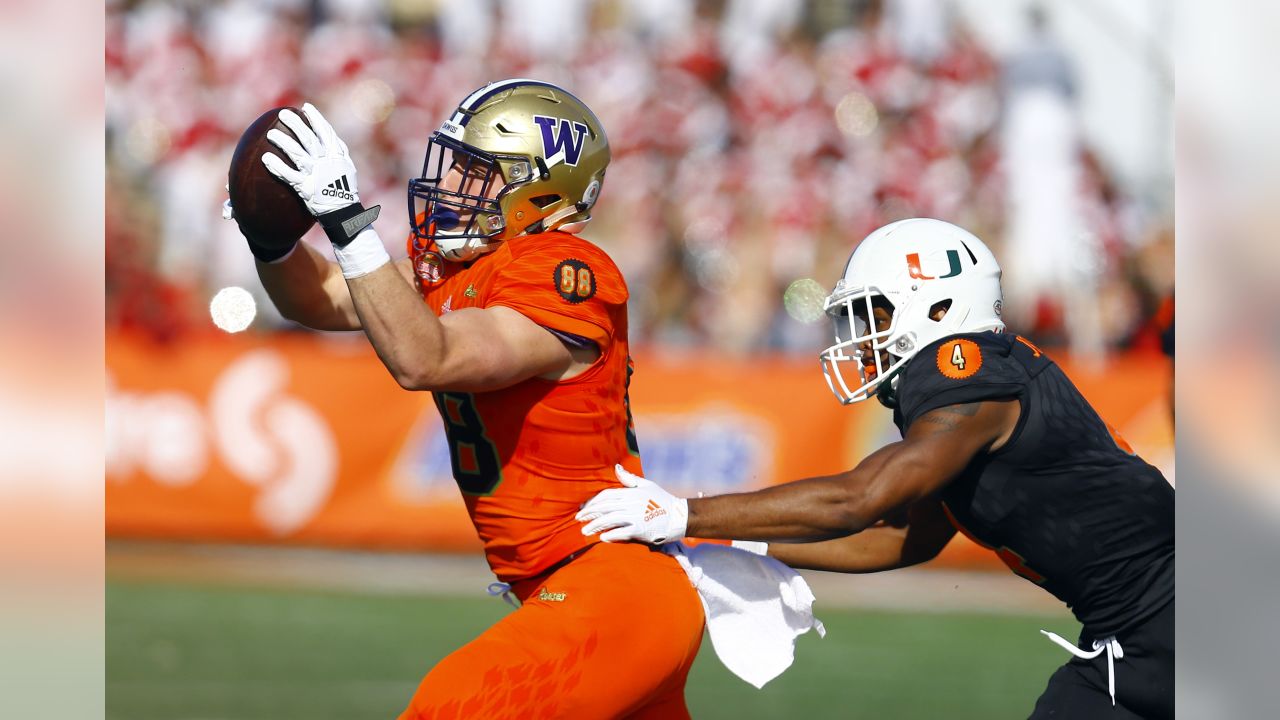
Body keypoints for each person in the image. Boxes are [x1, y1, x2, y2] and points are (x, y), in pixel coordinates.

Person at [225, 80, 704, 719]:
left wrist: (346, 220)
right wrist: (273, 241)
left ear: (541, 191)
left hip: (611, 588)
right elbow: (320, 298)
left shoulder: (566, 270)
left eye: (476, 172)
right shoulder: (454, 272)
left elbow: (428, 358)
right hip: (576, 591)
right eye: (454, 164)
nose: (451, 184)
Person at [579, 218, 1174, 719]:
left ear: (939, 306)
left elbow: (859, 498)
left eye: (876, 314)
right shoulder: (967, 379)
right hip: (1131, 636)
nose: (863, 338)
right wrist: (726, 540)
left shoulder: (963, 367)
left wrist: (684, 512)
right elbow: (897, 538)